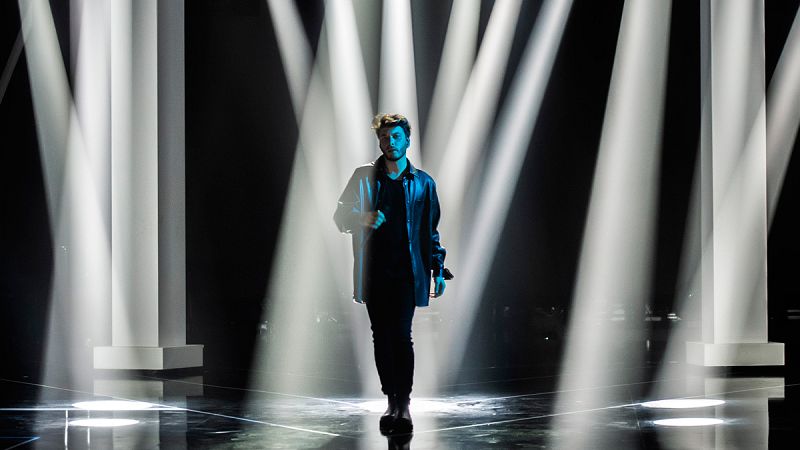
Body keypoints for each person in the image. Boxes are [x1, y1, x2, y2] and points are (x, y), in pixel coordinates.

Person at [334, 113, 448, 434]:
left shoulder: (423, 182)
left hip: (407, 274)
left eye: (396, 136)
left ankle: (404, 403)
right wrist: (362, 218)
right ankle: (390, 400)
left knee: (401, 335)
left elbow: (431, 232)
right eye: (384, 137)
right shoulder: (363, 177)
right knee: (381, 337)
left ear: (407, 140)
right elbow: (340, 217)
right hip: (374, 273)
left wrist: (438, 270)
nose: (390, 142)